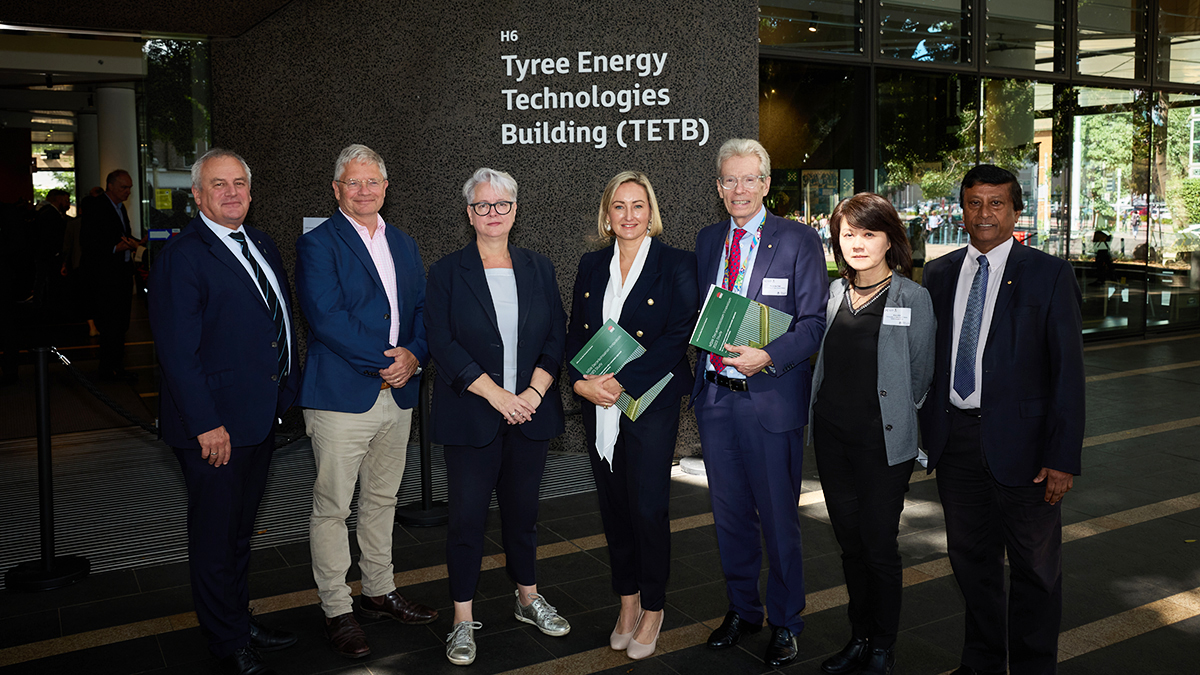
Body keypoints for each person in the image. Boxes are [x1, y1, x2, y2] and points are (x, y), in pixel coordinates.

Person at [920, 165, 1085, 675]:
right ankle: (983, 663)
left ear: (1016, 210)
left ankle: (1035, 668)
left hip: (1028, 450)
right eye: (974, 203)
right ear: (962, 210)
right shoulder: (940, 273)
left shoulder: (1049, 273)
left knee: (1036, 572)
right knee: (971, 565)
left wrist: (1062, 457)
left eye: (996, 203)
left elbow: (1068, 375)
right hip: (958, 444)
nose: (984, 213)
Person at [148, 149, 300, 675]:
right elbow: (176, 353)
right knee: (215, 538)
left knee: (239, 533)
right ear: (197, 195)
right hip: (214, 427)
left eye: (239, 183)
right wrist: (206, 423)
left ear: (251, 192)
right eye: (219, 184)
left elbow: (273, 321)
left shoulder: (259, 242)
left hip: (257, 419)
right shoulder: (182, 256)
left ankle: (237, 620)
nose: (232, 192)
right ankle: (225, 641)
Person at [294, 144, 437, 660]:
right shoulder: (319, 244)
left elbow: (422, 309)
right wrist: (387, 360)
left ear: (385, 187)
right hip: (341, 397)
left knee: (382, 500)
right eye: (353, 183)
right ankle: (337, 608)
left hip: (397, 396)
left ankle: (378, 589)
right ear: (337, 190)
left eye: (372, 182)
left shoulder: (403, 242)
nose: (364, 191)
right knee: (332, 508)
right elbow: (326, 318)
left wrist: (415, 357)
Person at [691, 138, 827, 667]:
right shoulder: (707, 240)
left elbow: (814, 324)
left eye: (750, 179)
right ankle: (743, 609)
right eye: (729, 180)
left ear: (767, 183)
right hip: (716, 400)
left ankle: (786, 621)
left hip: (769, 399)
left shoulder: (797, 240)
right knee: (729, 518)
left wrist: (766, 355)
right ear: (718, 186)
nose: (739, 189)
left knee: (777, 518)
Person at [425, 168, 569, 667]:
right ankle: (462, 619)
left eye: (501, 205)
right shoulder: (447, 272)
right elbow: (441, 343)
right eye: (482, 206)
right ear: (469, 214)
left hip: (531, 411)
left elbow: (557, 336)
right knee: (466, 521)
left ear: (515, 210)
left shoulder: (539, 267)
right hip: (473, 415)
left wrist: (531, 393)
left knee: (524, 515)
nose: (492, 214)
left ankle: (527, 598)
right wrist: (497, 396)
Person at [565, 171, 699, 660]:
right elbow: (576, 333)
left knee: (647, 509)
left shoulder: (677, 263)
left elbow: (677, 335)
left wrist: (621, 383)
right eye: (618, 206)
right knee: (615, 510)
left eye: (637, 205)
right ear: (606, 214)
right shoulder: (590, 264)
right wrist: (581, 382)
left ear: (651, 212)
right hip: (598, 404)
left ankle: (655, 608)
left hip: (648, 403)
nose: (628, 215)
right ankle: (627, 603)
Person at [809, 194, 936, 675]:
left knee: (878, 543)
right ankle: (858, 636)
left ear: (889, 240)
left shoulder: (911, 297)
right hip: (833, 440)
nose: (858, 244)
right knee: (849, 543)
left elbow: (921, 374)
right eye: (849, 234)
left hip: (884, 445)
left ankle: (883, 644)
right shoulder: (833, 294)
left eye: (869, 233)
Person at [82, 169, 143, 381]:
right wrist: (115, 248)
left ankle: (116, 366)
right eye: (124, 187)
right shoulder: (97, 206)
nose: (127, 192)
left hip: (122, 274)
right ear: (111, 186)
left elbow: (122, 235)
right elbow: (89, 242)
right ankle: (108, 369)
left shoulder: (120, 208)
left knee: (121, 324)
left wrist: (136, 242)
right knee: (110, 325)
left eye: (129, 188)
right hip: (106, 276)